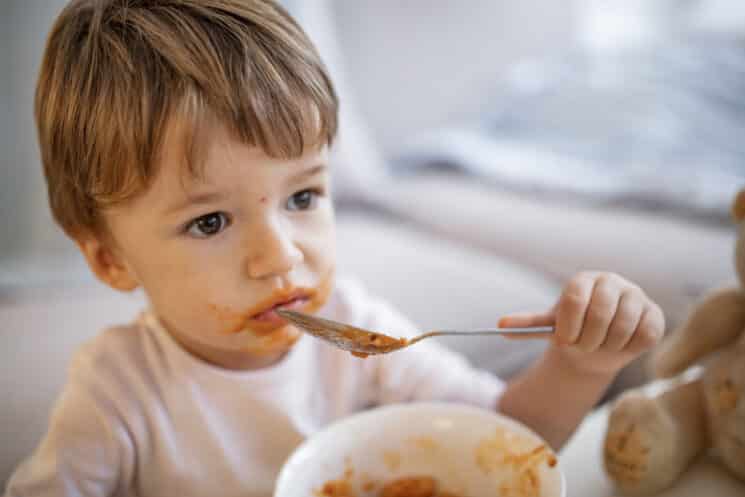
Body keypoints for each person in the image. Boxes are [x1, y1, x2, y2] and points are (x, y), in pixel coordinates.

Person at [5, 1, 665, 495]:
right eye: (209, 221)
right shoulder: (118, 392)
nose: (281, 256)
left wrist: (579, 365)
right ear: (110, 259)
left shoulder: (358, 332)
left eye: (301, 198)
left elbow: (504, 438)